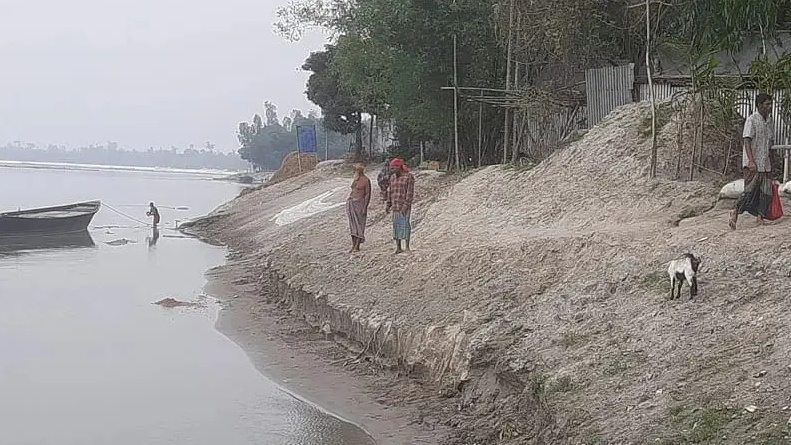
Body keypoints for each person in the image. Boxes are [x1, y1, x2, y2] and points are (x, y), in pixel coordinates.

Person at [729, 93, 775, 230]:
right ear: (760, 105)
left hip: (765, 162)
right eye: (767, 104)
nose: (769, 107)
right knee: (749, 191)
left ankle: (760, 217)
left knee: (766, 191)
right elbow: (747, 141)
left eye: (770, 104)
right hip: (753, 162)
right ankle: (735, 211)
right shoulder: (752, 120)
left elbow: (769, 141)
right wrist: (750, 161)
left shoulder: (769, 120)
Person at [386, 158, 415, 254]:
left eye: (394, 168)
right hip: (395, 205)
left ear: (399, 167)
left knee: (405, 224)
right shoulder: (392, 178)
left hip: (404, 205)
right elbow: (390, 192)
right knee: (396, 225)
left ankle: (407, 246)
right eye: (391, 168)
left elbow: (409, 193)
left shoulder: (409, 177)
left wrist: (406, 205)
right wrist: (388, 204)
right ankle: (398, 247)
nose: (392, 170)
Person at [346, 163, 372, 252]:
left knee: (359, 225)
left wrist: (365, 207)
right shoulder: (356, 179)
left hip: (360, 204)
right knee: (353, 225)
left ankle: (357, 245)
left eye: (356, 170)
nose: (355, 172)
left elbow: (367, 194)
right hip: (352, 203)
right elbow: (353, 189)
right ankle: (353, 245)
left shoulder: (366, 180)